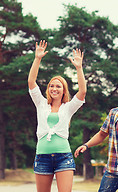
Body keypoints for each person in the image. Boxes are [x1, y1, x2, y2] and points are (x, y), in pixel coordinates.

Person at [28, 40, 86, 192]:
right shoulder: (41, 104)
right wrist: (37, 58)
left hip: (63, 157)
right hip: (42, 156)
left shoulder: (68, 107)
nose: (54, 88)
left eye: (58, 86)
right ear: (48, 89)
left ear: (63, 90)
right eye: (51, 86)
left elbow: (82, 92)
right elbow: (31, 81)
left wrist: (79, 68)